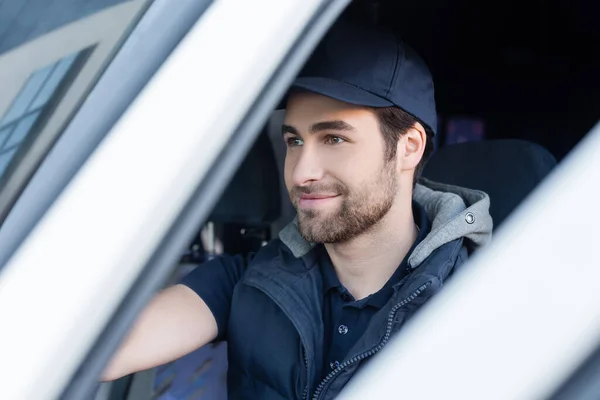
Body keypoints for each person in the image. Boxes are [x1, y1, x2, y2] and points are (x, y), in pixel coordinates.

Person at [102, 17, 492, 400]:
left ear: (409, 147)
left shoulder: (483, 298)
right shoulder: (250, 282)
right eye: (295, 141)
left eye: (334, 139)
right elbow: (87, 353)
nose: (302, 172)